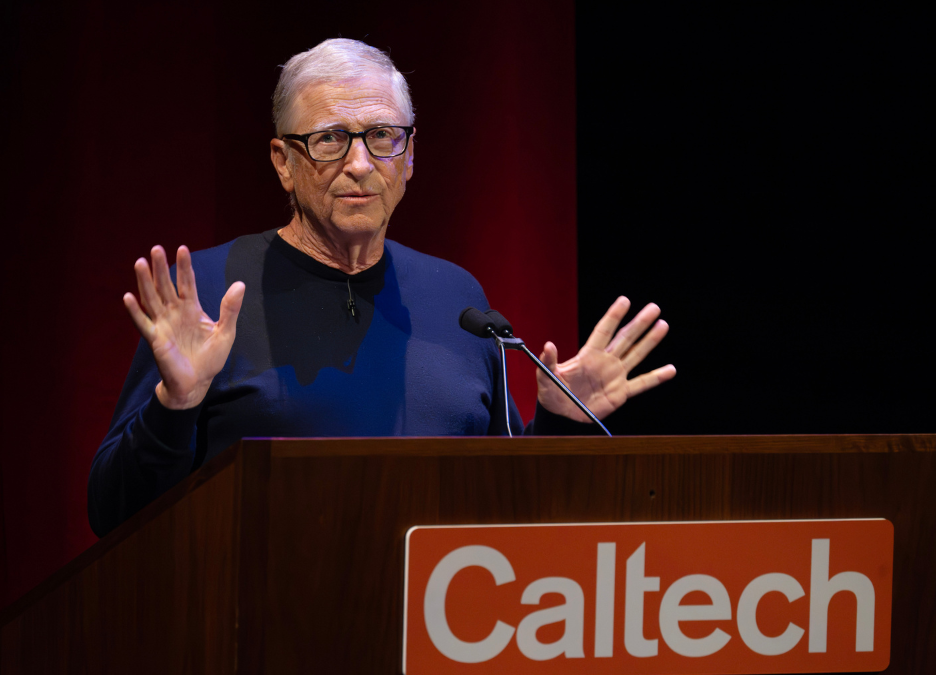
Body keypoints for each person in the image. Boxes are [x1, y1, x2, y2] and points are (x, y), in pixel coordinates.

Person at [87, 39, 675, 537]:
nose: (361, 164)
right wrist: (176, 405)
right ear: (283, 161)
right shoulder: (210, 294)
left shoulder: (457, 298)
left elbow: (508, 504)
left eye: (382, 136)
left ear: (409, 156)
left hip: (438, 619)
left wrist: (560, 422)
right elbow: (111, 514)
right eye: (330, 139)